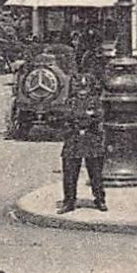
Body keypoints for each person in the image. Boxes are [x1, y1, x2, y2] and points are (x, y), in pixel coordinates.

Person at [57, 73, 107, 214]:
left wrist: (84, 119)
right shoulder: (70, 101)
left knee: (96, 173)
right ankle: (69, 201)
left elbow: (98, 117)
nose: (82, 90)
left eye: (85, 87)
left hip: (91, 138)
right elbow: (66, 116)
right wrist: (85, 117)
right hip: (74, 139)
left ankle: (99, 199)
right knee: (70, 173)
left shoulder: (95, 101)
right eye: (79, 87)